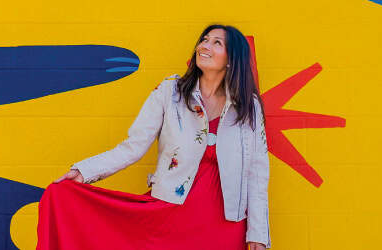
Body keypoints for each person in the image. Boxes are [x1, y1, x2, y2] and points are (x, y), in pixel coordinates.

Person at [37, 24, 272, 250]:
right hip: (170, 214)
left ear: (231, 60)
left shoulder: (248, 106)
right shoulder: (170, 92)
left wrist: (258, 235)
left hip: (224, 225)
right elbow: (133, 147)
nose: (204, 46)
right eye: (204, 40)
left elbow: (257, 174)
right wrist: (84, 171)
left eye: (216, 43)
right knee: (66, 200)